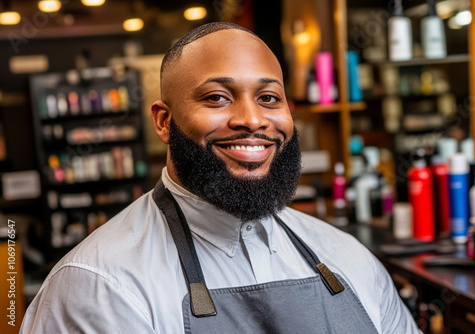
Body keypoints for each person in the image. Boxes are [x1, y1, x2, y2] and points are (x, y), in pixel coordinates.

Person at [20, 22, 420, 333]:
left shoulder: (347, 257)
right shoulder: (100, 286)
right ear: (164, 121)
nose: (251, 119)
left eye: (268, 98)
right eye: (217, 97)